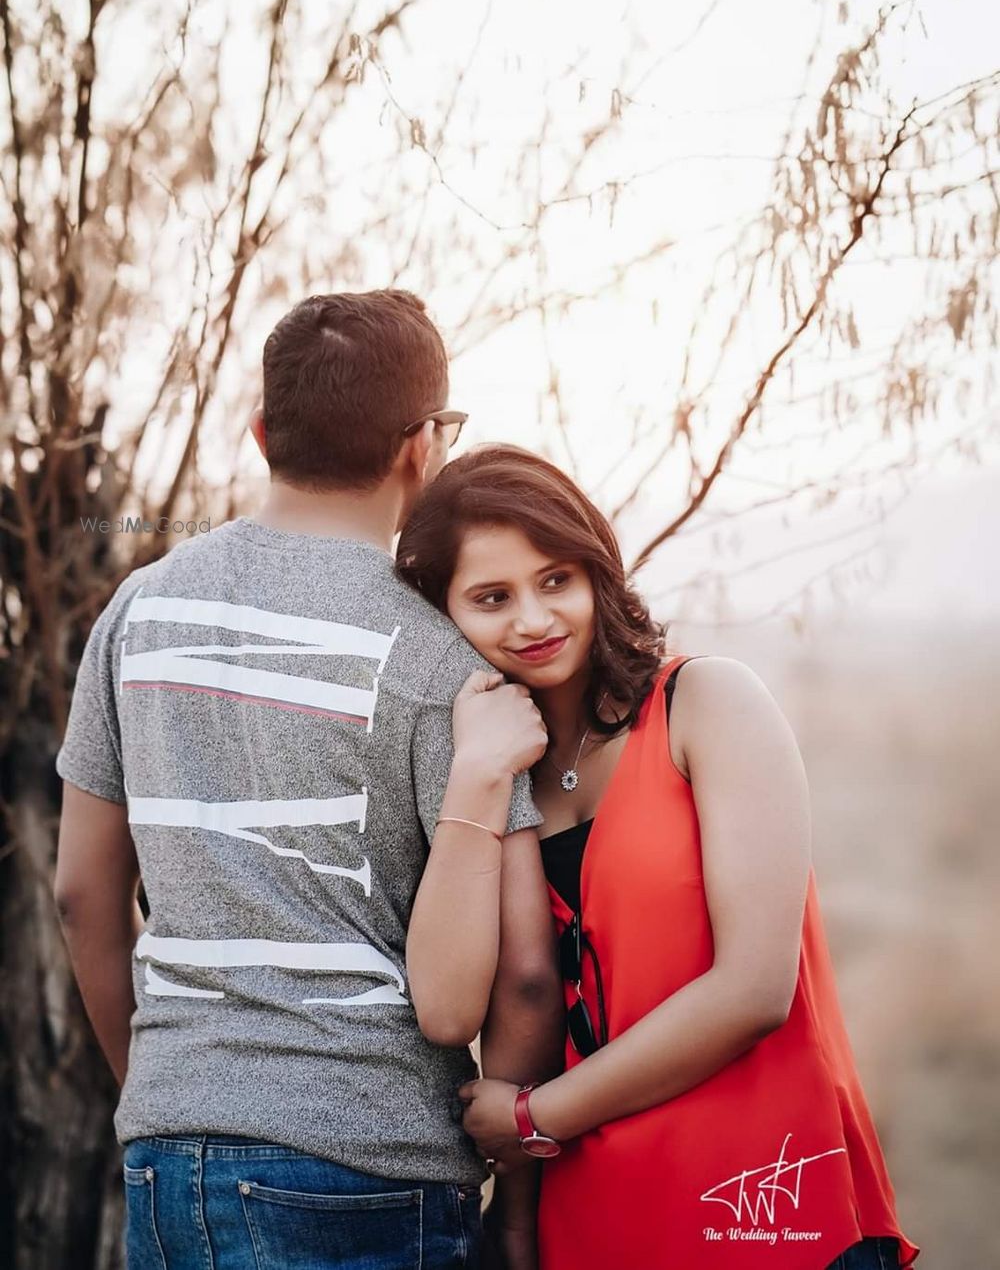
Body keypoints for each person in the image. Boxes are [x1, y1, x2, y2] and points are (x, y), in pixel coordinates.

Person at [54, 292, 562, 1270]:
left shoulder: (136, 613)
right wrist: (522, 1204)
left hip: (167, 1163)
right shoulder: (442, 660)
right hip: (368, 1172)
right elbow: (527, 975)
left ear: (259, 434)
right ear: (421, 447)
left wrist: (166, 1090)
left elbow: (83, 895)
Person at [396, 444, 919, 1270]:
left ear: (599, 574)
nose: (533, 619)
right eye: (492, 598)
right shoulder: (488, 773)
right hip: (598, 1227)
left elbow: (754, 990)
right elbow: (512, 1002)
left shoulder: (706, 704)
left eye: (557, 580)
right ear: (443, 615)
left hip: (769, 1207)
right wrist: (520, 1221)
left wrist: (535, 1117)